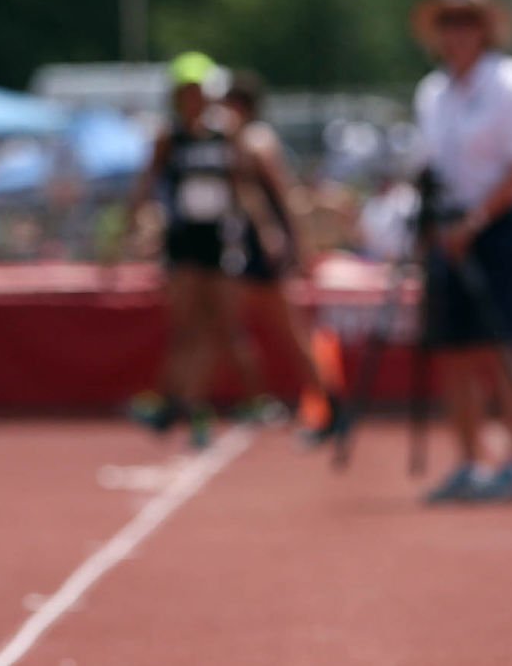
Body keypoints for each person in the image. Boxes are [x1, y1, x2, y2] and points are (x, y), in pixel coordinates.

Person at [411, 0, 512, 503]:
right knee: (452, 349)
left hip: (505, 225)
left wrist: (473, 222)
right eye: (448, 22)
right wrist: (433, 226)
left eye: (466, 21)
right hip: (451, 229)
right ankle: (470, 460)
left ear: (484, 29)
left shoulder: (511, 82)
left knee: (500, 346)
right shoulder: (434, 91)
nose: (456, 33)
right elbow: (429, 166)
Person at [120, 51, 255, 449]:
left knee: (221, 327)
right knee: (185, 327)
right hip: (183, 242)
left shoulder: (226, 135)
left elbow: (242, 185)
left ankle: (196, 403)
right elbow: (148, 183)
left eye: (199, 92)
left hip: (220, 240)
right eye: (187, 93)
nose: (194, 100)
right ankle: (176, 402)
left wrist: (257, 229)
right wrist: (132, 227)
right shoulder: (170, 138)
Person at [221, 70, 348, 443]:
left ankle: (329, 405)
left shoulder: (257, 142)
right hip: (246, 247)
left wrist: (298, 243)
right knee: (228, 325)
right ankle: (257, 399)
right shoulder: (236, 142)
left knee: (288, 332)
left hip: (264, 249)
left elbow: (281, 195)